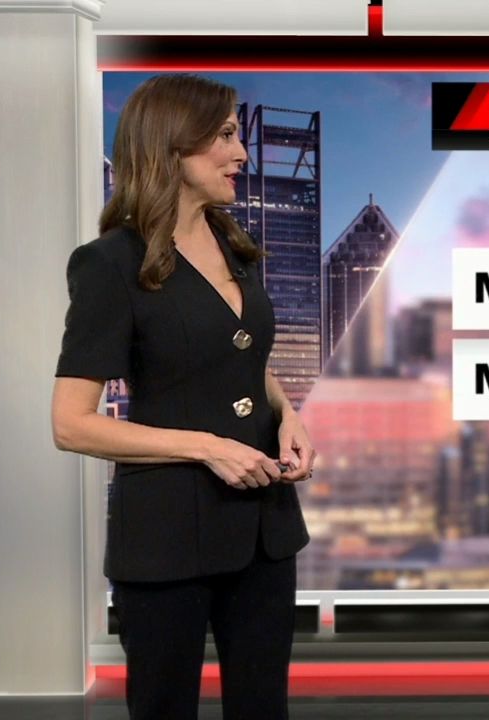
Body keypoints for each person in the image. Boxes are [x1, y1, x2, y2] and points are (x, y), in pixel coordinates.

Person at [52, 73, 315, 720]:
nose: (241, 153)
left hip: (264, 532)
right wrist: (207, 448)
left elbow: (242, 362)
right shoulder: (110, 263)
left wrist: (287, 415)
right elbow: (72, 424)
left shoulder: (237, 246)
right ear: (172, 144)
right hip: (166, 536)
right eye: (224, 136)